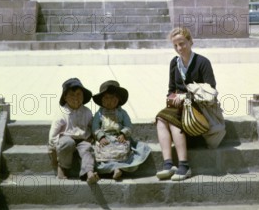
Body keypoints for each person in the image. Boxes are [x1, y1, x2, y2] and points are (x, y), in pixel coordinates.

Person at [155, 27, 217, 181]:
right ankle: (168, 164)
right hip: (179, 106)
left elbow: (211, 91)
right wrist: (172, 98)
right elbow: (170, 89)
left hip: (199, 107)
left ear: (190, 41)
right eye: (175, 45)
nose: (179, 48)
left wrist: (186, 97)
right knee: (160, 118)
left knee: (173, 121)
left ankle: (184, 165)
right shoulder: (174, 63)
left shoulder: (202, 62)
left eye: (182, 44)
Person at [92, 80, 151, 181]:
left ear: (118, 99)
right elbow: (95, 127)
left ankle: (119, 167)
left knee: (128, 150)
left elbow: (128, 125)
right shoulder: (99, 114)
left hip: (119, 137)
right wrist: (100, 136)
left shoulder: (122, 113)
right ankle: (113, 168)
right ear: (102, 100)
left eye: (112, 98)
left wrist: (123, 133)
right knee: (101, 153)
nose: (109, 101)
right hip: (105, 138)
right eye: (106, 98)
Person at [48, 77, 99, 184]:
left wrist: (92, 137)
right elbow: (53, 134)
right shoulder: (62, 113)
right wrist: (53, 148)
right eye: (71, 95)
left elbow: (92, 126)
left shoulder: (87, 112)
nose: (76, 98)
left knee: (87, 149)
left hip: (83, 139)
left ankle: (88, 172)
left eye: (79, 94)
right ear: (65, 97)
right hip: (66, 139)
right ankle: (63, 167)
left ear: (83, 96)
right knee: (67, 143)